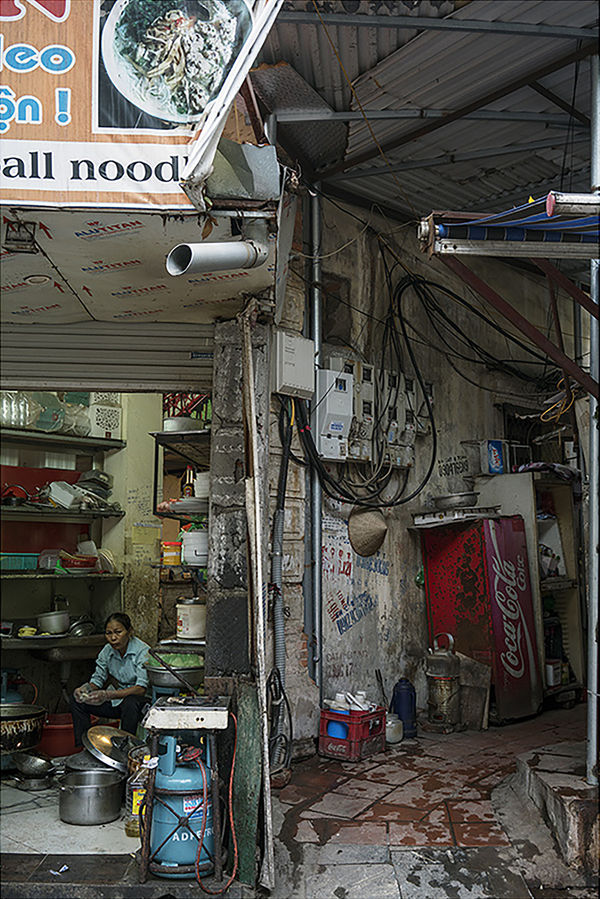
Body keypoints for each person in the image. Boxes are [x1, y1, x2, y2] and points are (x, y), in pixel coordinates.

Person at [70, 612, 150, 747]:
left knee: (130, 702)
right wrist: (85, 689)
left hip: (140, 704)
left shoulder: (142, 651)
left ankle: (124, 750)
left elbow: (140, 689)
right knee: (77, 701)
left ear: (129, 631)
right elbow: (98, 679)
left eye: (118, 632)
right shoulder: (107, 651)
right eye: (109, 633)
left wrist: (108, 695)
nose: (113, 638)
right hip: (116, 701)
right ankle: (84, 748)